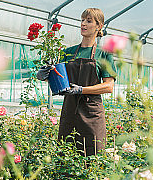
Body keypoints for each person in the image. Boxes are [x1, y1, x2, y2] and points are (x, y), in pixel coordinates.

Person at [38, 8, 116, 156]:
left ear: (99, 26)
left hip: (92, 112)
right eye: (82, 20)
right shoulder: (67, 52)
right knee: (66, 153)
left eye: (88, 21)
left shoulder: (104, 54)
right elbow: (59, 82)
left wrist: (81, 90)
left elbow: (109, 86)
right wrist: (44, 75)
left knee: (93, 153)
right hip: (70, 110)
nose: (83, 24)